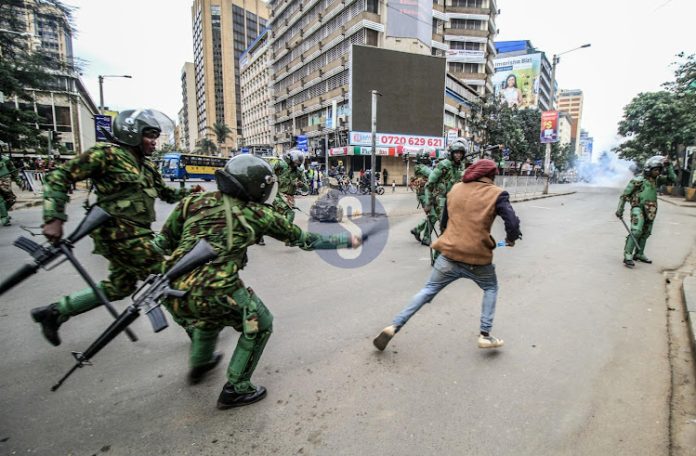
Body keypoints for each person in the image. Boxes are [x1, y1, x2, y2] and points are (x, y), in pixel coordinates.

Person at [153, 154, 362, 409]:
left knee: (209, 315)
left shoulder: (193, 201)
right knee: (261, 322)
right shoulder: (258, 214)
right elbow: (305, 240)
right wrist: (345, 240)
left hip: (173, 289)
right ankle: (237, 387)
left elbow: (164, 241)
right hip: (216, 288)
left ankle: (200, 364)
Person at [30, 109, 202, 346]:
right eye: (149, 136)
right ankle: (198, 334)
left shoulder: (148, 167)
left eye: (156, 136)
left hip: (137, 234)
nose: (154, 141)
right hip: (117, 233)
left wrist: (189, 193)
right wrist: (53, 218)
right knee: (164, 275)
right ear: (132, 134)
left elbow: (166, 194)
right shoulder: (107, 154)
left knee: (119, 286)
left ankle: (55, 312)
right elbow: (59, 176)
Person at [374, 159, 521, 351]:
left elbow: (444, 220)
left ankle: (394, 326)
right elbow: (512, 223)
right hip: (477, 257)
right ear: (491, 175)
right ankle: (485, 335)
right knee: (491, 287)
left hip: (449, 254)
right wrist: (511, 238)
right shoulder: (497, 194)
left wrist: (450, 237)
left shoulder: (456, 189)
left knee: (427, 290)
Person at [616, 155, 676, 267]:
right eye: (655, 170)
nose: (658, 172)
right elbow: (624, 195)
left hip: (651, 209)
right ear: (649, 169)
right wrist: (620, 209)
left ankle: (639, 253)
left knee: (646, 232)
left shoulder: (656, 181)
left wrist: (670, 166)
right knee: (636, 231)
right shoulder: (638, 180)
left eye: (659, 170)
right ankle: (628, 254)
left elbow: (673, 179)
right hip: (638, 208)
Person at [423, 139, 467, 244]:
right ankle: (438, 257)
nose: (458, 155)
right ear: (451, 153)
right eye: (456, 153)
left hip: (454, 200)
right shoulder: (444, 164)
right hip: (441, 201)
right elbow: (429, 184)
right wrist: (428, 203)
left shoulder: (461, 166)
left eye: (461, 153)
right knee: (446, 230)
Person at [271, 148, 308, 225]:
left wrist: (301, 185)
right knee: (289, 213)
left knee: (283, 216)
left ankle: (279, 228)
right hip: (278, 195)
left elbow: (306, 189)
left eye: (299, 162)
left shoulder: (299, 171)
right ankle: (285, 230)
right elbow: (269, 171)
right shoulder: (280, 165)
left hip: (290, 197)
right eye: (296, 161)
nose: (297, 164)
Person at [409, 152, 434, 245]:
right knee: (433, 215)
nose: (429, 159)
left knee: (433, 215)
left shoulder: (421, 166)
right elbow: (432, 174)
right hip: (424, 195)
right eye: (427, 158)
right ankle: (426, 237)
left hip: (427, 194)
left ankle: (418, 230)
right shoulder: (421, 167)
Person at [0, 150, 23, 226]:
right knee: (0, 201)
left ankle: (3, 213)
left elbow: (14, 171)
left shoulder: (6, 159)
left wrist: (19, 182)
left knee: (11, 199)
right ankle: (4, 218)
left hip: (5, 184)